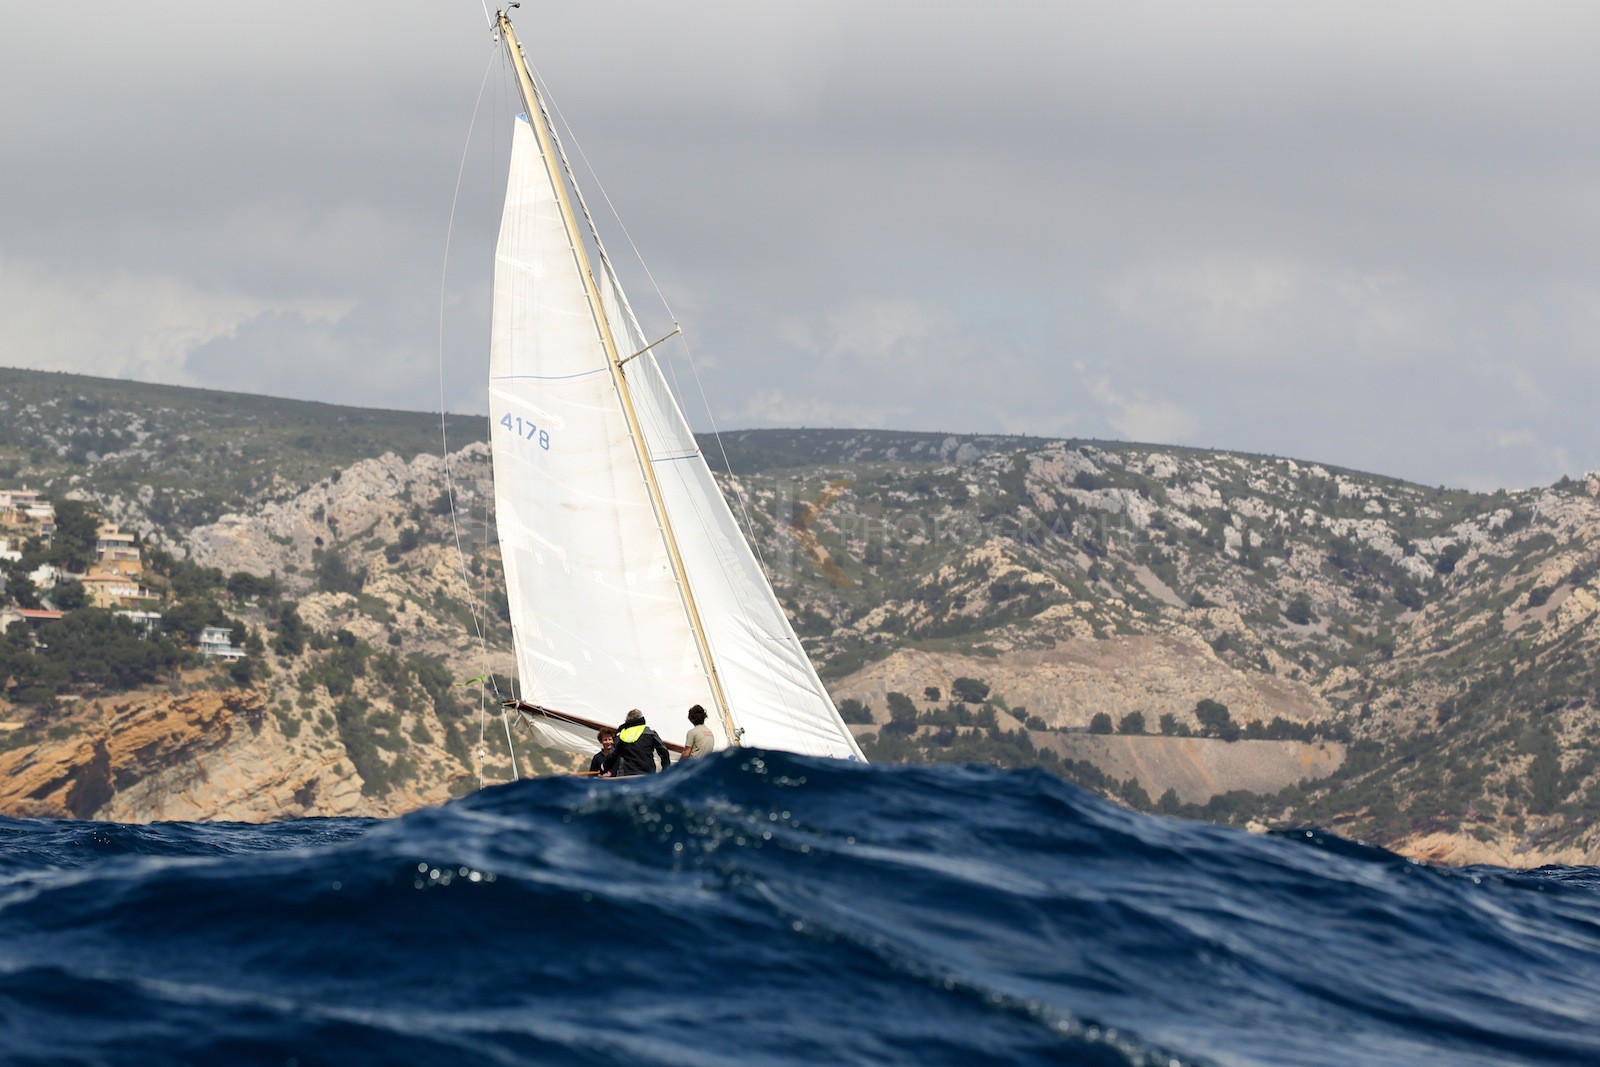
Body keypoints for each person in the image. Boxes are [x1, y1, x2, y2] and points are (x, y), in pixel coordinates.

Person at [603, 709, 671, 776]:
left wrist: (605, 768)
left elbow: (612, 755)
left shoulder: (622, 734)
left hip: (626, 775)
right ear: (641, 718)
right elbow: (663, 751)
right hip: (647, 774)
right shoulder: (649, 732)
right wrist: (666, 769)